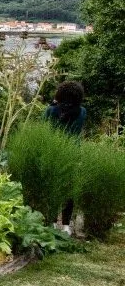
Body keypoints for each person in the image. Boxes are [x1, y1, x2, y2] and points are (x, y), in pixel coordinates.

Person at [45, 81, 87, 235]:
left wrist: (54, 103)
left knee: (53, 186)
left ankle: (52, 222)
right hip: (73, 153)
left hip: (54, 152)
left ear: (59, 94)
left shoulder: (51, 111)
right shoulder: (82, 112)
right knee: (69, 190)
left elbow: (45, 127)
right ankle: (67, 226)